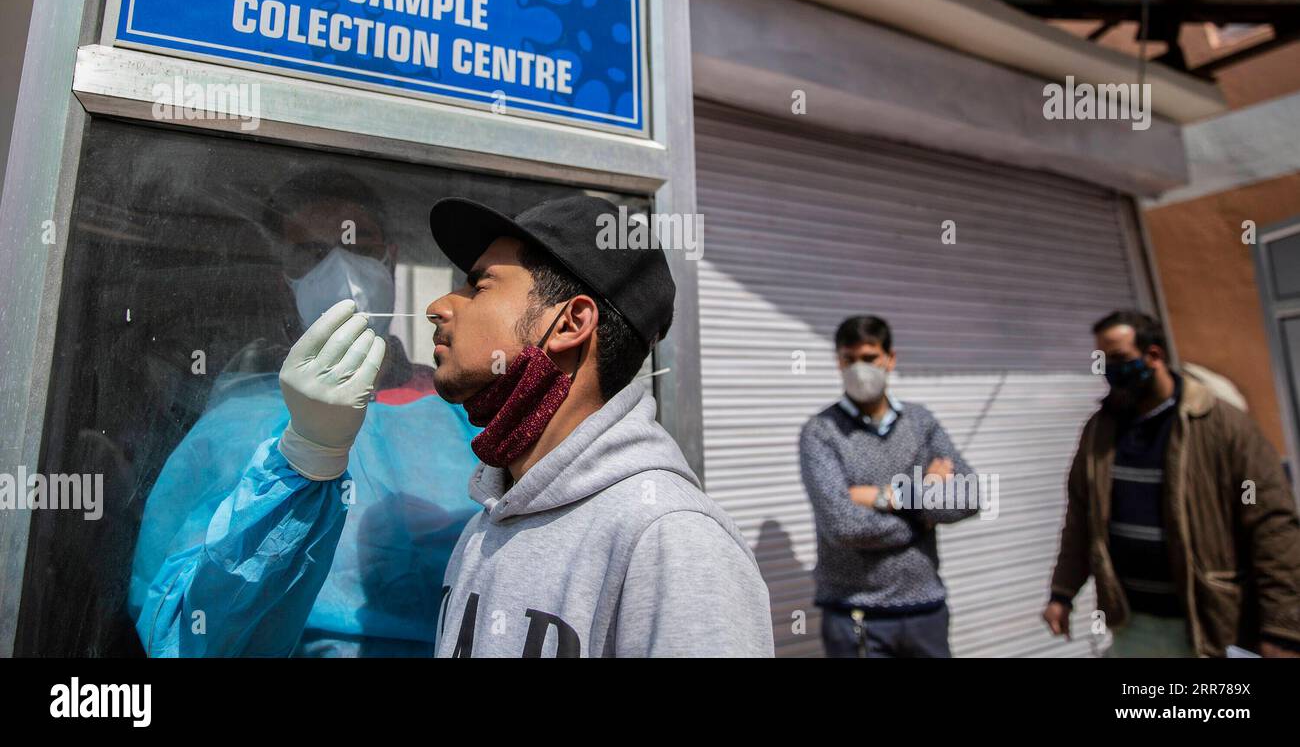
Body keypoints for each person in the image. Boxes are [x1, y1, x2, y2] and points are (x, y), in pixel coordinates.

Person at [130, 169, 481, 656]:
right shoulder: (237, 423)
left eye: (359, 245)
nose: (341, 268)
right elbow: (183, 634)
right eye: (312, 253)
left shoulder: (465, 409)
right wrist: (301, 454)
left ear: (392, 259)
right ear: (285, 277)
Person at [423, 193, 773, 656]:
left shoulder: (672, 539)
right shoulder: (487, 520)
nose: (439, 307)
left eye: (480, 285)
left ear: (571, 323)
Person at [1042, 310, 1300, 658]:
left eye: (1118, 358)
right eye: (1101, 360)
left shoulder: (1221, 425)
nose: (1108, 370)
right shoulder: (1100, 432)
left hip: (1209, 624)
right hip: (1134, 625)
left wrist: (1282, 627)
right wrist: (1062, 593)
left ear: (1154, 355)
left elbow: (1273, 530)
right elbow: (1081, 520)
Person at [799, 315, 979, 658]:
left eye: (869, 358)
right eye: (849, 360)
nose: (859, 369)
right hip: (855, 616)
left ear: (890, 359)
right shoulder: (821, 432)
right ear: (838, 361)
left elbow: (969, 495)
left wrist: (888, 496)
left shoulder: (920, 422)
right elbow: (844, 525)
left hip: (925, 609)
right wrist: (922, 514)